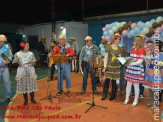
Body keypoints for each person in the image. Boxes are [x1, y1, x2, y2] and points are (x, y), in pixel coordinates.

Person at [124, 36, 145, 107]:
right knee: (128, 84)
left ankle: (135, 99)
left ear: (138, 42)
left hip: (136, 69)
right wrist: (126, 60)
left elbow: (140, 61)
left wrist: (130, 63)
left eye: (134, 41)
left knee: (136, 85)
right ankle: (127, 98)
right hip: (131, 68)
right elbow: (132, 58)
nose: (133, 42)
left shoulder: (141, 50)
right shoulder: (133, 48)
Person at [101, 33, 121, 101]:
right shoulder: (109, 47)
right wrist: (105, 67)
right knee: (107, 81)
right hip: (109, 67)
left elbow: (120, 58)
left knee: (114, 82)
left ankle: (113, 95)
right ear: (114, 39)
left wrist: (119, 60)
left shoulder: (119, 49)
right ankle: (104, 94)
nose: (119, 40)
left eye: (120, 39)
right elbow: (105, 58)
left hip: (116, 67)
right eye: (118, 39)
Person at [144, 40, 163, 109]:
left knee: (155, 89)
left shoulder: (161, 54)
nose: (155, 46)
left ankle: (155, 102)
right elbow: (149, 60)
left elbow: (160, 65)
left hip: (157, 73)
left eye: (157, 46)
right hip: (150, 72)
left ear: (160, 47)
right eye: (155, 45)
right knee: (151, 88)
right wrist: (146, 59)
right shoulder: (152, 53)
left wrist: (150, 61)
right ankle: (152, 101)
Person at [0, 34, 13, 102]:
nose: (2, 43)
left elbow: (10, 55)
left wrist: (9, 60)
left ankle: (8, 96)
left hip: (5, 68)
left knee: (7, 83)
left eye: (3, 41)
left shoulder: (6, 47)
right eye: (0, 41)